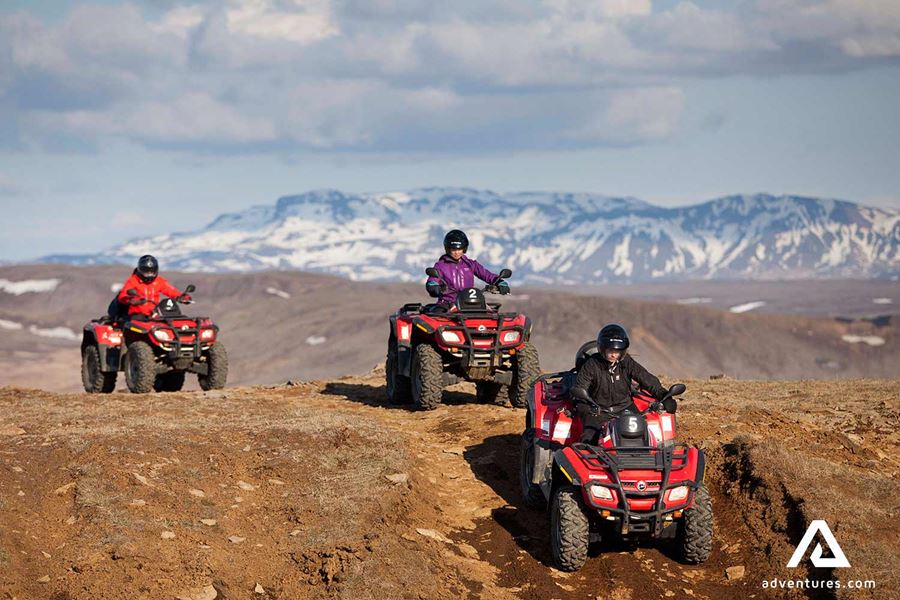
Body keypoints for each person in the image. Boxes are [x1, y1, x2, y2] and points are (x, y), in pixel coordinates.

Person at [571, 324, 674, 444]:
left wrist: (663, 395)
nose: (614, 355)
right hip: (598, 408)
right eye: (610, 351)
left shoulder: (627, 362)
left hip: (624, 407)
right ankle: (586, 459)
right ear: (602, 349)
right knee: (590, 437)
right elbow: (580, 387)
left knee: (643, 433)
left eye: (617, 351)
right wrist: (588, 406)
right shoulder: (592, 364)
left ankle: (645, 457)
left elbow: (646, 378)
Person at [425, 230, 509, 305]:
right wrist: (433, 287)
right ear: (448, 249)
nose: (456, 252)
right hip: (446, 304)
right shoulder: (440, 265)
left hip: (470, 304)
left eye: (459, 249)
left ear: (464, 249)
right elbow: (432, 280)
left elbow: (487, 275)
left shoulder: (471, 264)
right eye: (453, 249)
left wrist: (500, 282)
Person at [115, 255, 190, 318]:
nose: (149, 275)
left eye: (151, 272)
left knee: (176, 320)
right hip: (137, 314)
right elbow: (123, 295)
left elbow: (170, 290)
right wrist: (131, 300)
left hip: (156, 314)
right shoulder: (133, 281)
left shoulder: (159, 281)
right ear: (140, 270)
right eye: (146, 272)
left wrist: (182, 297)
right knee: (139, 324)